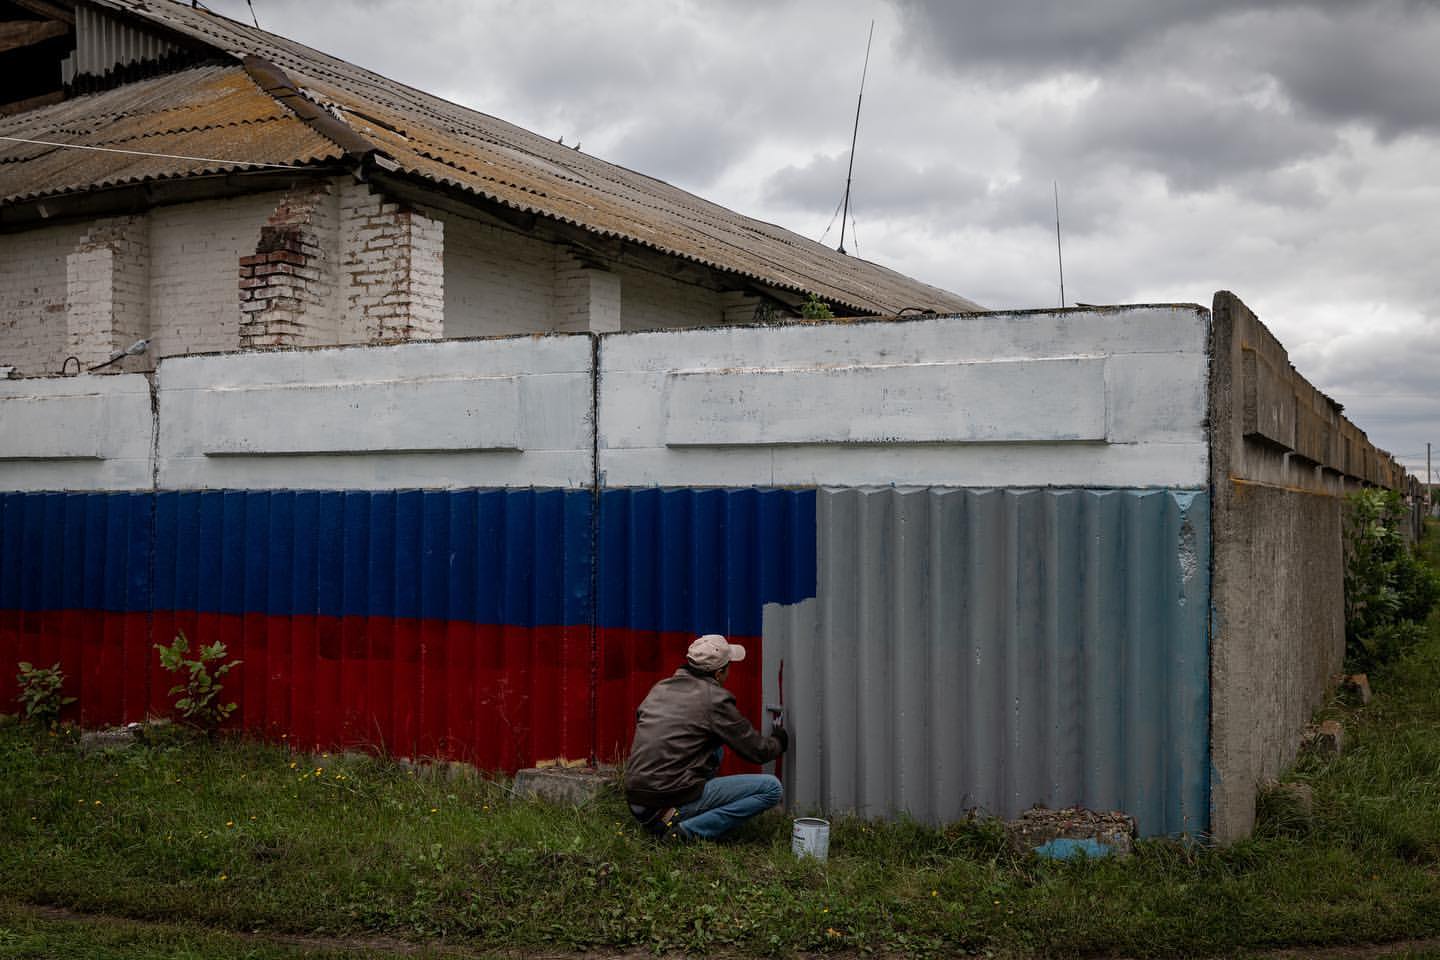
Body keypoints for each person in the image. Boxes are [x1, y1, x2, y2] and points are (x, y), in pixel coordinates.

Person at [624, 633, 789, 842]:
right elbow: (758, 751)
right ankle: (687, 832)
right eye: (728, 667)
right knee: (771, 788)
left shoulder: (660, 688)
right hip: (663, 804)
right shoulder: (714, 699)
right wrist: (779, 739)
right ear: (719, 673)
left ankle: (676, 815)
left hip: (638, 802)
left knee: (715, 750)